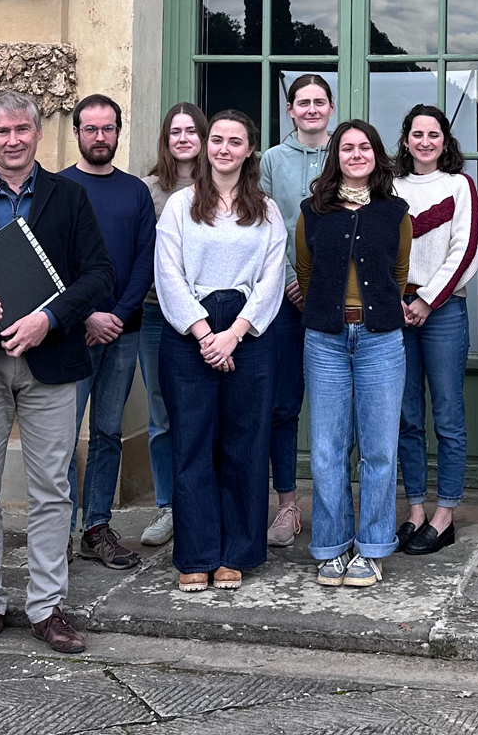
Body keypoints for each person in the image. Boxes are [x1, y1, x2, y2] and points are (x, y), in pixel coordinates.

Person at [0, 92, 114, 655]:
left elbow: (98, 274)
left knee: (53, 488)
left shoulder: (70, 197)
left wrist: (48, 318)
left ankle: (47, 606)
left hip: (50, 361)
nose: (13, 140)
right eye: (2, 131)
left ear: (38, 134)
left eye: (22, 131)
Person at [155, 110, 288, 592]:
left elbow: (273, 278)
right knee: (191, 444)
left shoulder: (267, 210)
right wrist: (203, 332)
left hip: (249, 334)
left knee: (244, 445)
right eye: (216, 139)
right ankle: (196, 553)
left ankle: (236, 552)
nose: (223, 148)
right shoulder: (180, 205)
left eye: (235, 141)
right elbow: (167, 272)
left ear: (250, 149)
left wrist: (233, 334)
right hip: (189, 331)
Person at [297, 120, 413, 587]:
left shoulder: (395, 211)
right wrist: (331, 309)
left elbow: (400, 271)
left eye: (365, 146)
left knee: (380, 449)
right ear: (335, 156)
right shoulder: (313, 210)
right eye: (347, 148)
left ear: (377, 154)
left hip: (381, 339)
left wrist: (374, 310)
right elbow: (304, 270)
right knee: (327, 449)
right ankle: (330, 545)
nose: (357, 154)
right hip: (325, 339)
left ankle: (372, 547)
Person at [59, 93, 157, 571]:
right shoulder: (56, 188)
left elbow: (145, 260)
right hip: (69, 334)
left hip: (125, 330)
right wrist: (86, 317)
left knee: (108, 433)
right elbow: (48, 265)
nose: (101, 137)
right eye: (91, 129)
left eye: (109, 128)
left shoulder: (136, 192)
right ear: (77, 132)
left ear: (119, 131)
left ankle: (96, 527)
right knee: (58, 434)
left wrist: (116, 313)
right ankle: (58, 531)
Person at [392, 105, 478, 556]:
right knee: (407, 416)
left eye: (434, 134)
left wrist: (427, 299)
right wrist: (397, 299)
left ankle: (445, 514)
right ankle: (415, 510)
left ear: (446, 141)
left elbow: (466, 250)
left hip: (442, 311)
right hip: (394, 309)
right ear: (405, 139)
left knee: (447, 415)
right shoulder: (387, 186)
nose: (425, 141)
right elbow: (374, 248)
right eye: (417, 133)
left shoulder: (460, 186)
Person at [260, 74, 333, 547]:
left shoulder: (347, 150)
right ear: (290, 110)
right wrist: (291, 281)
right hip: (285, 299)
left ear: (330, 107)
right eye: (302, 102)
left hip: (337, 298)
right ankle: (287, 506)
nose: (311, 109)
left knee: (338, 407)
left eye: (319, 102)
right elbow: (267, 225)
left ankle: (335, 505)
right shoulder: (271, 160)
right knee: (284, 407)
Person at [137, 103, 207, 549]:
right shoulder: (147, 191)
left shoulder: (219, 187)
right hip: (155, 314)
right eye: (174, 132)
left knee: (205, 411)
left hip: (209, 316)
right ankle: (168, 505)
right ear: (166, 140)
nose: (183, 139)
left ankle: (202, 499)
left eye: (190, 131)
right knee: (162, 414)